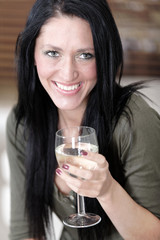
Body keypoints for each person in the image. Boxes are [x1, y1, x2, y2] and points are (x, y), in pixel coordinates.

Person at [6, 0, 160, 239]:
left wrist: (107, 190)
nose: (68, 73)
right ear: (33, 54)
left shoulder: (134, 121)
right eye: (52, 53)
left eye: (85, 55)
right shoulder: (23, 123)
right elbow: (25, 232)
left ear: (104, 58)